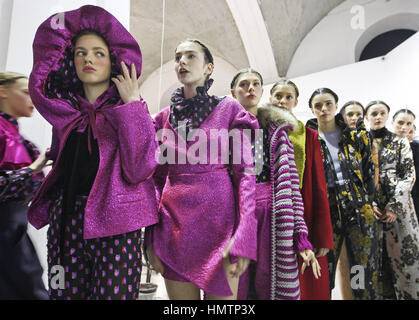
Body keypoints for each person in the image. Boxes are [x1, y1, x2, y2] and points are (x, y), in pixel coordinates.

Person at [28, 5, 159, 300]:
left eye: (98, 53)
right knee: (61, 294)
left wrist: (132, 105)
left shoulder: (130, 111)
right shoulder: (64, 114)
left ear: (113, 60)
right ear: (71, 60)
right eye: (80, 52)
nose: (88, 58)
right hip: (66, 222)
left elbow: (141, 169)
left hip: (117, 225)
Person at [145, 41, 258, 300]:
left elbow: (246, 176)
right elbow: (154, 181)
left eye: (190, 56)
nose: (182, 61)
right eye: (178, 57)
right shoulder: (162, 118)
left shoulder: (229, 109)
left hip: (221, 228)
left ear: (209, 67)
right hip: (173, 230)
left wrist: (245, 234)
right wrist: (149, 238)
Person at [231, 70, 321, 300]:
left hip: (272, 220)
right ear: (233, 92)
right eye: (244, 84)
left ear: (262, 92)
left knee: (269, 286)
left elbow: (292, 189)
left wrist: (301, 236)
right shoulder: (222, 131)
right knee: (233, 287)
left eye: (256, 84)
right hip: (233, 217)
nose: (250, 88)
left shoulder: (278, 133)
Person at [306, 88, 382, 300]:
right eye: (318, 105)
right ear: (312, 109)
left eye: (328, 103)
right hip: (326, 212)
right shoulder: (308, 139)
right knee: (325, 270)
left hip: (359, 211)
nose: (324, 109)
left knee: (362, 269)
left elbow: (370, 172)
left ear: (336, 106)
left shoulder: (358, 136)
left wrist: (367, 202)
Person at [269, 79, 334, 300]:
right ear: (270, 99)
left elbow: (319, 185)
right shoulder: (258, 129)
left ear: (296, 102)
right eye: (278, 96)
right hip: (269, 212)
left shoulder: (308, 134)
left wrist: (323, 235)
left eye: (288, 97)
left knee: (306, 281)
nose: (282, 101)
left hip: (302, 211)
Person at [0, 72, 50, 299]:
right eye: (25, 93)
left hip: (15, 233)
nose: (33, 99)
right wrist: (33, 168)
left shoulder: (16, 136)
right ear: (3, 92)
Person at [365, 102, 419, 299]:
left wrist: (394, 206)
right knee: (373, 264)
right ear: (367, 116)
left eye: (382, 113)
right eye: (374, 113)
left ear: (388, 116)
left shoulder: (399, 141)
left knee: (407, 261)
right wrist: (369, 203)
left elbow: (408, 175)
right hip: (371, 210)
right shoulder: (361, 141)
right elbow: (358, 176)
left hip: (400, 209)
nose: (378, 116)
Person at [391, 109, 419, 219]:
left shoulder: (415, 147)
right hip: (391, 196)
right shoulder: (384, 144)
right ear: (393, 123)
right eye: (400, 123)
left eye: (409, 124)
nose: (404, 128)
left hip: (413, 192)